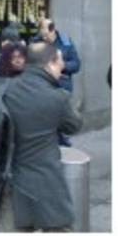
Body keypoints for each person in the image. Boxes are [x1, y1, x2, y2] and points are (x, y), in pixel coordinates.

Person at [0, 42, 83, 231]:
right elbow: (74, 126)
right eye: (60, 62)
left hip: (11, 183)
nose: (63, 67)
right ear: (50, 63)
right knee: (59, 230)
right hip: (48, 184)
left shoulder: (6, 89)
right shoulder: (57, 97)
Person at [36, 18, 80, 146]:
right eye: (41, 35)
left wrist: (60, 66)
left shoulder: (66, 43)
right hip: (43, 87)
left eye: (46, 35)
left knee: (60, 122)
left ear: (52, 30)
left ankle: (62, 146)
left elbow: (76, 64)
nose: (44, 39)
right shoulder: (36, 41)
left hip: (62, 87)